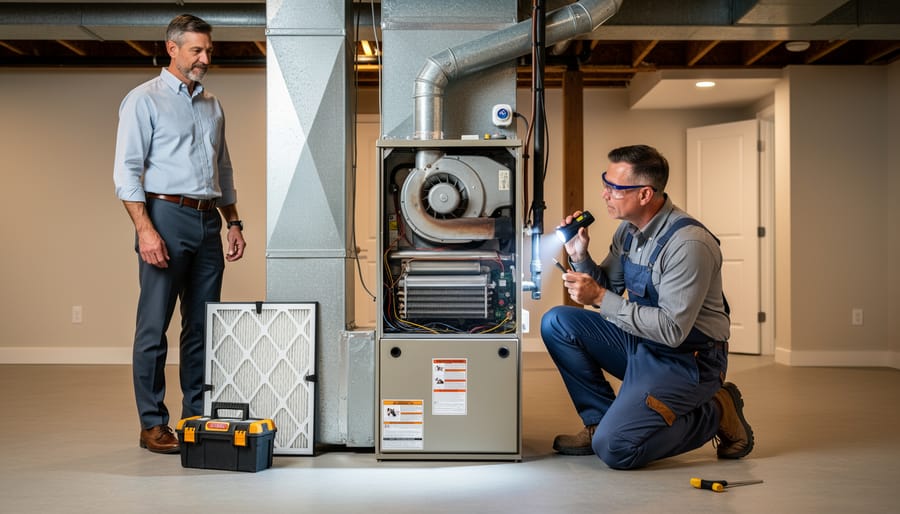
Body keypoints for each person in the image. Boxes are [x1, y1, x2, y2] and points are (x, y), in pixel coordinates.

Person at [540, 144, 753, 470]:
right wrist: (579, 254)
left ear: (644, 194)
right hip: (642, 343)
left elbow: (671, 329)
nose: (604, 194)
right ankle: (599, 420)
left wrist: (597, 296)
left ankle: (717, 411)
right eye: (605, 183)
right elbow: (610, 289)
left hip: (687, 360)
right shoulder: (628, 231)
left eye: (614, 188)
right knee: (558, 322)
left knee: (616, 449)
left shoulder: (688, 244)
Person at [113, 14, 246, 454]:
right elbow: (127, 172)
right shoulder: (143, 100)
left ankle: (195, 417)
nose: (204, 59)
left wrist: (233, 221)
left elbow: (221, 169)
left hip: (209, 221)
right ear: (172, 49)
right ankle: (152, 424)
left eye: (208, 51)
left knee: (203, 327)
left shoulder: (212, 104)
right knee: (154, 326)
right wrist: (145, 230)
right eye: (196, 51)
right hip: (165, 217)